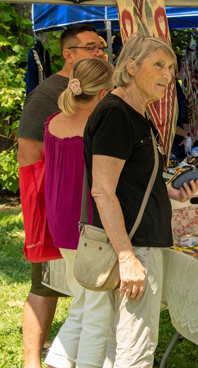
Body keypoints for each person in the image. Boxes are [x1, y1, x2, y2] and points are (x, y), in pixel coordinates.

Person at [83, 33, 198, 367]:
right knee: (136, 348)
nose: (168, 75)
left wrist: (172, 192)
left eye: (171, 67)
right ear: (131, 67)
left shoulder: (136, 113)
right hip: (133, 246)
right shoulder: (117, 114)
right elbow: (102, 190)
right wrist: (126, 256)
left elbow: (131, 181)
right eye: (158, 65)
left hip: (138, 243)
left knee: (120, 343)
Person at [17, 24, 105, 368]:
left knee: (81, 299)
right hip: (61, 209)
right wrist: (52, 198)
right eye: (90, 47)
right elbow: (28, 156)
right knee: (47, 286)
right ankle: (31, 362)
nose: (99, 51)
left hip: (68, 211)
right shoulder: (47, 95)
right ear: (68, 54)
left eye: (100, 46)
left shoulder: (84, 98)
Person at [43, 58, 114, 368]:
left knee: (82, 301)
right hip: (89, 223)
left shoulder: (53, 122)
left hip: (61, 219)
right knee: (97, 306)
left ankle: (59, 360)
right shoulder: (96, 125)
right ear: (103, 93)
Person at [171, 54, 195, 161]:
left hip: (182, 139)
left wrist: (187, 137)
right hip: (172, 142)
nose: (183, 70)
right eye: (181, 66)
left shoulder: (177, 87)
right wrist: (187, 135)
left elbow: (184, 115)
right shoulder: (166, 91)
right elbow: (167, 123)